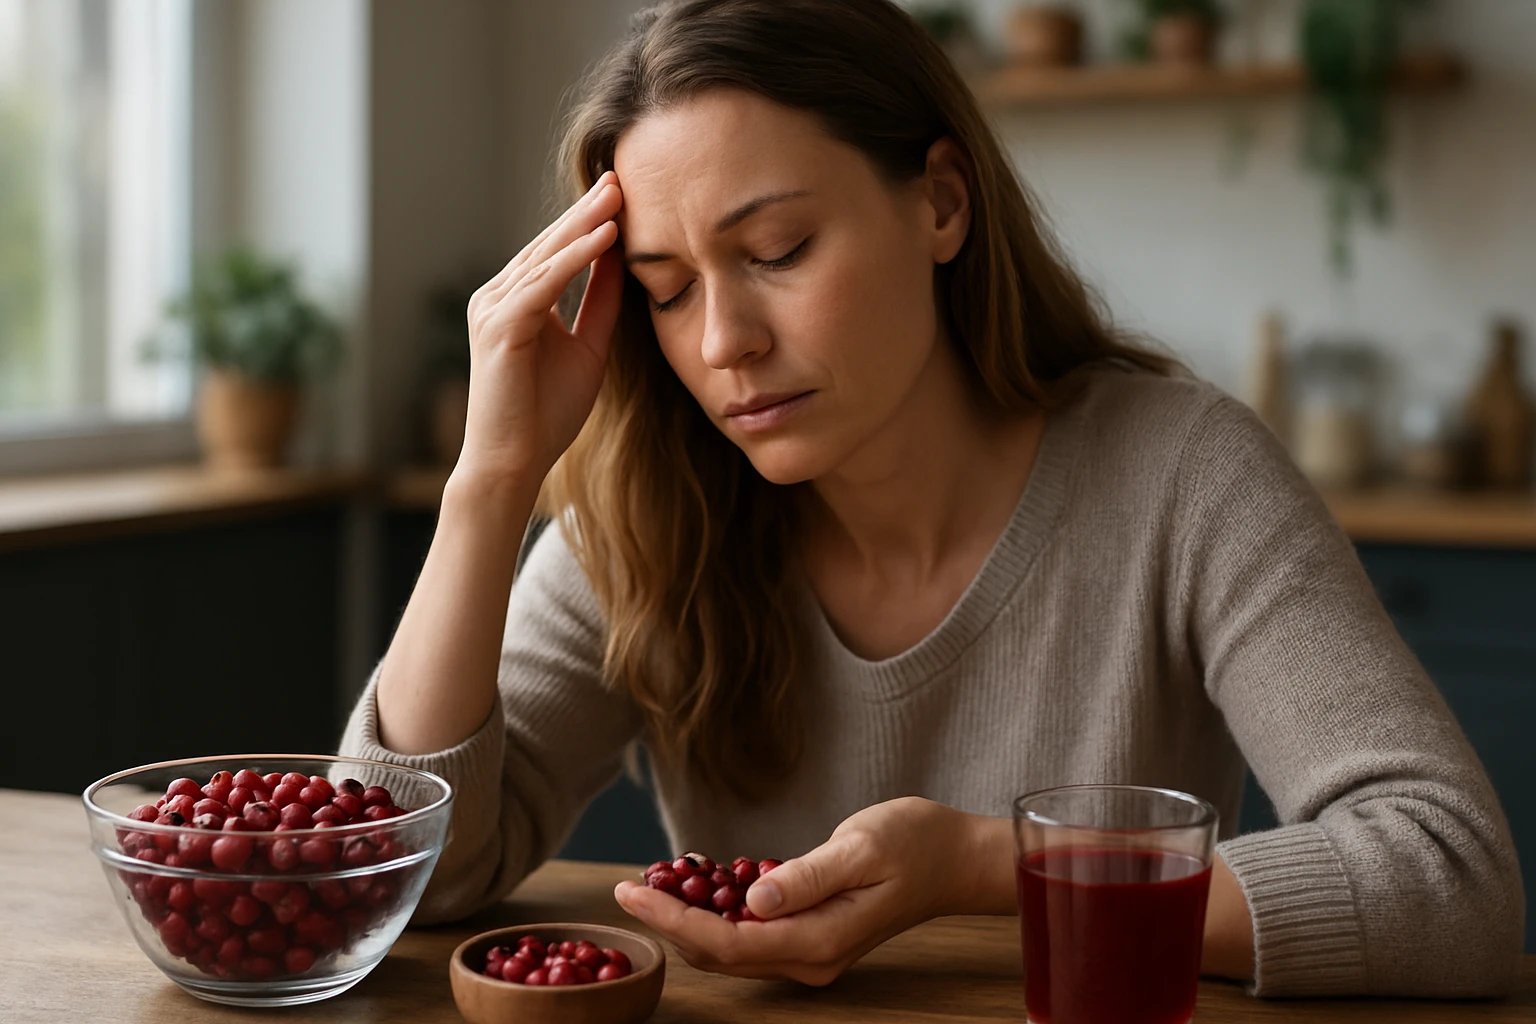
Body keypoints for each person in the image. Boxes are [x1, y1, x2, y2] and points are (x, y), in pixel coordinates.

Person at [340, 0, 1524, 998]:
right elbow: (398, 876)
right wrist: (490, 483)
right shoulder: (646, 510)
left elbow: (1452, 878)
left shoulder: (1184, 473)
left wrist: (979, 864)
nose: (724, 342)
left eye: (780, 249)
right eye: (665, 286)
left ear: (941, 203)